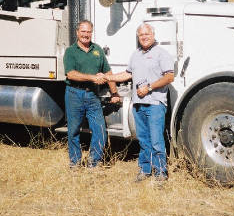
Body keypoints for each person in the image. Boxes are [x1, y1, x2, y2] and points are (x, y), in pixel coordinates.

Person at [106, 23, 174, 181]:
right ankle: (145, 169)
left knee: (156, 140)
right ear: (138, 37)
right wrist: (109, 77)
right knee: (143, 140)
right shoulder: (135, 55)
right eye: (141, 35)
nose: (144, 37)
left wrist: (149, 87)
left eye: (147, 34)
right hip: (138, 104)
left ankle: (160, 173)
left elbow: (169, 77)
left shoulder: (161, 54)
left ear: (153, 34)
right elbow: (127, 74)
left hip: (155, 104)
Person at [63, 20, 120, 168]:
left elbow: (108, 72)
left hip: (93, 95)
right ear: (77, 32)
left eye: (88, 32)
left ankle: (94, 162)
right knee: (73, 130)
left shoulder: (97, 50)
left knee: (100, 130)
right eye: (83, 31)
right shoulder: (70, 51)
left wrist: (114, 93)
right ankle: (75, 162)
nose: (85, 35)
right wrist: (92, 77)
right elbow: (71, 74)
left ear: (91, 33)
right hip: (74, 94)